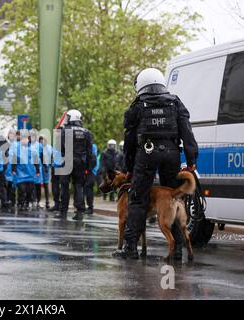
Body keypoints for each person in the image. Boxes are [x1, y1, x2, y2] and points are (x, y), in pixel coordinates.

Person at [114, 67, 198, 260]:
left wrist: (128, 169)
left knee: (137, 199)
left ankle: (130, 248)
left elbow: (129, 142)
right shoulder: (175, 103)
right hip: (171, 154)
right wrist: (191, 160)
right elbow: (187, 132)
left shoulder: (137, 107)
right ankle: (177, 251)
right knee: (174, 199)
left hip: (146, 154)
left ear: (141, 85)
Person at [56, 110, 94, 221]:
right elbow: (90, 152)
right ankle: (80, 212)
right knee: (79, 187)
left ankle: (63, 211)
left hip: (67, 161)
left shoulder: (65, 131)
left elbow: (60, 148)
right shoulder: (87, 132)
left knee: (64, 187)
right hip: (81, 163)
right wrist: (88, 168)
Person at [11, 131, 40, 213]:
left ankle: (27, 203)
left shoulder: (33, 150)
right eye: (23, 139)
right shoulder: (17, 149)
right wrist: (13, 169)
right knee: (21, 189)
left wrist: (37, 170)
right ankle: (21, 203)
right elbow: (14, 160)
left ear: (28, 139)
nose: (24, 140)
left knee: (30, 190)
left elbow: (36, 161)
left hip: (30, 173)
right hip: (20, 173)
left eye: (26, 139)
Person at [84, 143, 99, 215]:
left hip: (91, 171)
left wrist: (87, 169)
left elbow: (92, 160)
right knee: (87, 189)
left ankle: (90, 208)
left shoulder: (91, 146)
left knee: (89, 189)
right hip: (92, 171)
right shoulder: (93, 146)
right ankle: (88, 207)